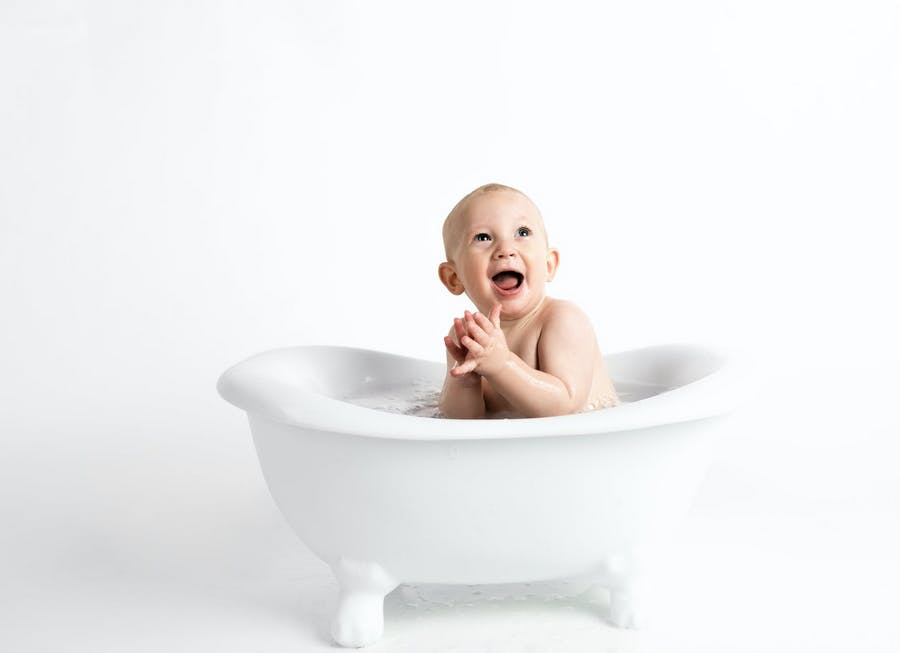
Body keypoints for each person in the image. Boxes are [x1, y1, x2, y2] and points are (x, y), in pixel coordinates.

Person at [438, 183, 619, 418]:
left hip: (587, 443)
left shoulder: (562, 320)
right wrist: (465, 382)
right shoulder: (467, 336)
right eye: (483, 237)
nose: (506, 249)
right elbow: (461, 422)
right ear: (454, 278)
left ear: (548, 265)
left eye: (522, 233)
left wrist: (503, 365)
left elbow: (566, 407)